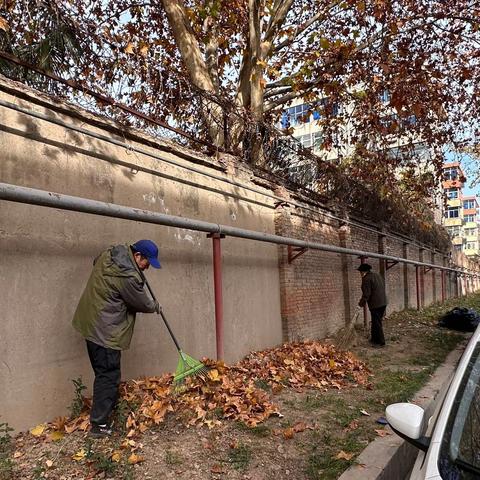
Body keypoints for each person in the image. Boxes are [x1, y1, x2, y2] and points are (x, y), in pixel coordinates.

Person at [72, 240, 161, 438]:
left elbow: (95, 262)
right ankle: (99, 424)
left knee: (102, 372)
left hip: (89, 320)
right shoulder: (129, 277)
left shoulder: (110, 253)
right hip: (105, 330)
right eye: (147, 263)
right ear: (137, 256)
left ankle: (108, 404)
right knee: (109, 375)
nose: (148, 268)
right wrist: (155, 305)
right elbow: (143, 303)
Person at [357, 263, 387, 347]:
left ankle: (381, 342)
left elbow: (366, 294)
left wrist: (360, 304)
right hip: (383, 302)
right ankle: (374, 339)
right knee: (375, 321)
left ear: (363, 271)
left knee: (377, 323)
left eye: (360, 271)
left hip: (376, 304)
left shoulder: (366, 279)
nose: (360, 273)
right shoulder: (377, 275)